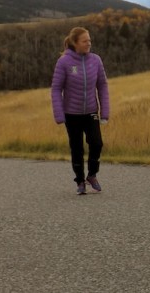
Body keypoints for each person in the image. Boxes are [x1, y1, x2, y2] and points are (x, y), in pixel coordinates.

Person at [51, 27, 110, 195]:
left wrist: (104, 112)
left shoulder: (96, 60)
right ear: (76, 43)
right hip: (72, 114)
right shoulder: (64, 62)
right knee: (77, 148)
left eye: (90, 40)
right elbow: (56, 88)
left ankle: (92, 175)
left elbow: (103, 86)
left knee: (97, 143)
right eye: (85, 41)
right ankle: (80, 181)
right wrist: (59, 114)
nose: (89, 43)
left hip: (91, 111)